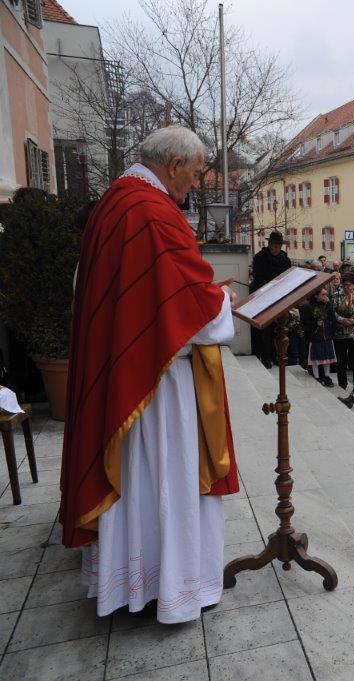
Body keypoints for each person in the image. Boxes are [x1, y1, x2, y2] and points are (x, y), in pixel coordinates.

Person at [61, 126, 239, 623]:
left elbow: (155, 288)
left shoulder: (118, 200)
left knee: (139, 481)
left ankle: (130, 581)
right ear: (174, 165)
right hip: (156, 383)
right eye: (196, 173)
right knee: (164, 478)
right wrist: (222, 300)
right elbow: (188, 310)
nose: (196, 184)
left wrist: (200, 292)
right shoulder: (152, 212)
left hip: (128, 366)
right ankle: (168, 586)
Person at [251, 230, 291, 367]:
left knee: (279, 328)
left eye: (279, 246)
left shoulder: (285, 260)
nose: (276, 248)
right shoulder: (260, 258)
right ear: (269, 244)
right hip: (263, 297)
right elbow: (258, 278)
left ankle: (278, 356)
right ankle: (265, 356)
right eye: (274, 245)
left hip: (279, 298)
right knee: (265, 329)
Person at [301, 287, 338, 386]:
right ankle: (316, 377)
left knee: (327, 358)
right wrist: (315, 324)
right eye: (323, 294)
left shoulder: (328, 305)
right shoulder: (307, 306)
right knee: (316, 359)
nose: (326, 296)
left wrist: (332, 332)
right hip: (315, 337)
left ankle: (326, 376)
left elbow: (333, 318)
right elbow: (304, 324)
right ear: (316, 295)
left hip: (327, 336)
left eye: (326, 294)